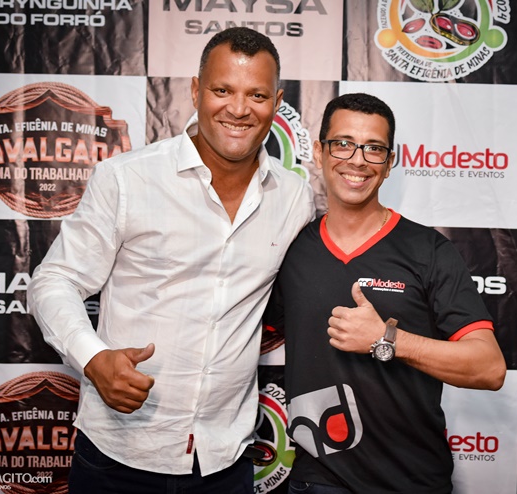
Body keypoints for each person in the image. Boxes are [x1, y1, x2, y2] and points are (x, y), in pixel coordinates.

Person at [28, 27, 315, 494]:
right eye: (222, 90)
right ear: (196, 91)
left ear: (277, 102)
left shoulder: (294, 197)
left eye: (257, 95)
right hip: (119, 455)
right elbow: (54, 280)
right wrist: (93, 358)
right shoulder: (127, 179)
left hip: (225, 461)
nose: (239, 109)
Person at [264, 93, 507, 494]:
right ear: (320, 153)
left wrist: (386, 339)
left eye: (374, 148)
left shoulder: (428, 251)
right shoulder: (291, 249)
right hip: (318, 481)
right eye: (343, 143)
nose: (357, 160)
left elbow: (490, 368)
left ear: (390, 162)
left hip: (411, 481)